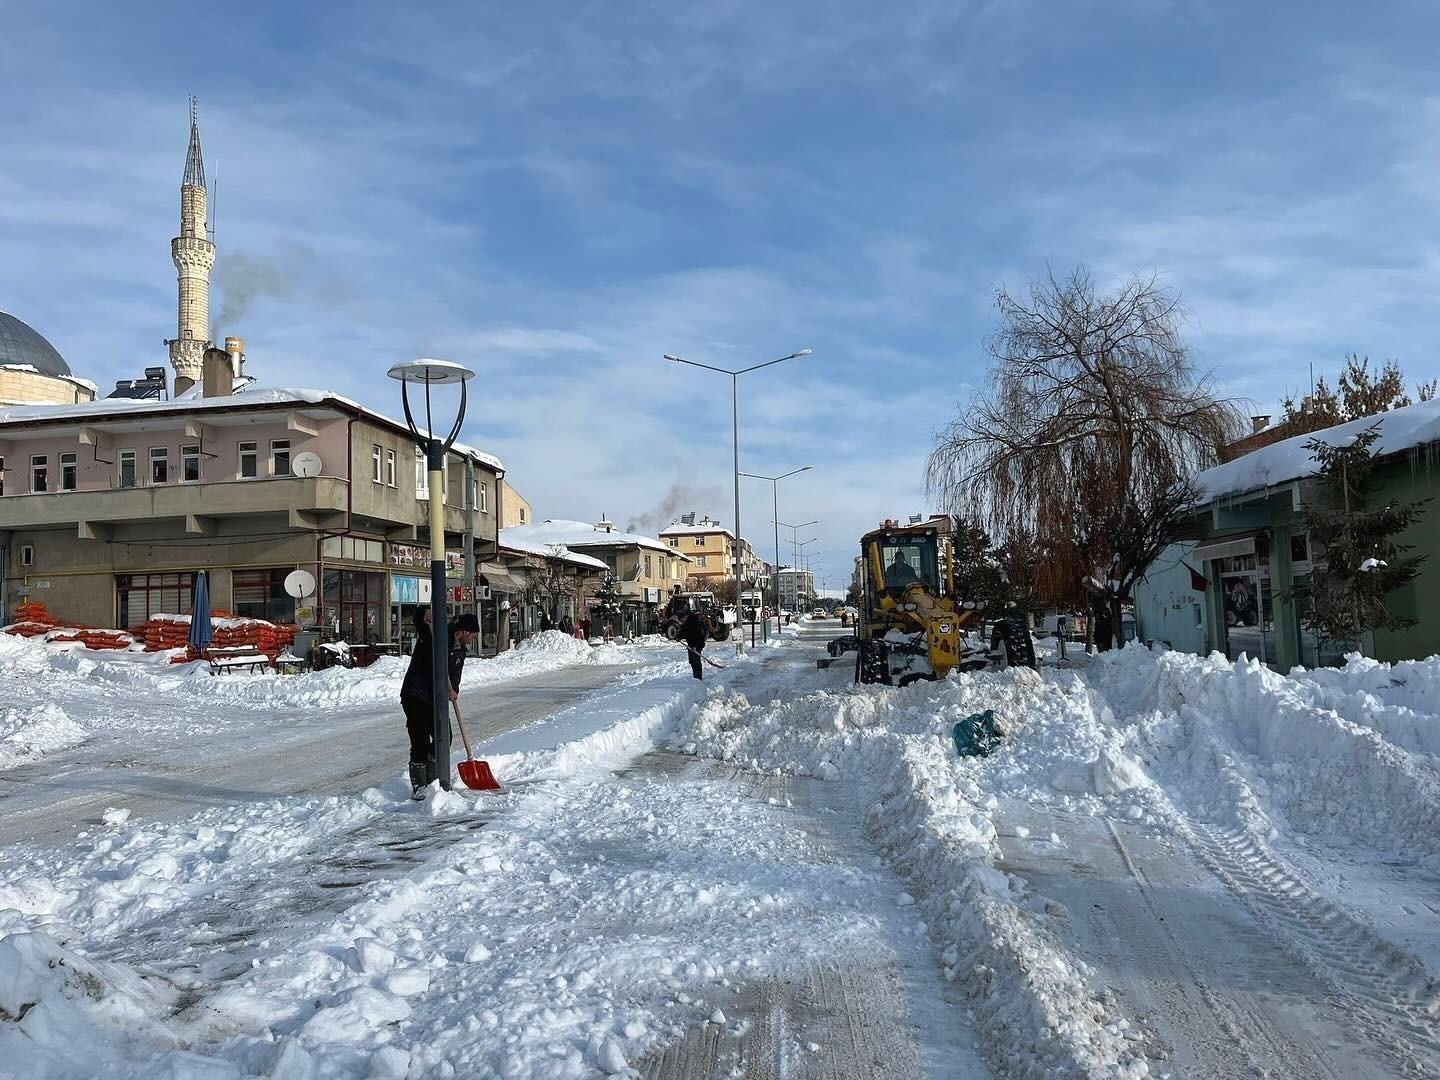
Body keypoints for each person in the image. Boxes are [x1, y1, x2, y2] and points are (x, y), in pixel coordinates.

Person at [400, 606, 480, 799]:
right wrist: (423, 614)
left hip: (437, 698)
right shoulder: (436, 635)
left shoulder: (460, 651)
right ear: (465, 631)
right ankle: (419, 786)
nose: (472, 640)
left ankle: (432, 780)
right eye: (473, 636)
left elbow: (455, 676)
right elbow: (420, 622)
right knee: (419, 740)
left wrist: (454, 691)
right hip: (416, 694)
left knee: (444, 737)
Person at [681, 608, 710, 680]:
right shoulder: (689, 621)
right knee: (692, 661)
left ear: (685, 616)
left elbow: (697, 634)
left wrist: (694, 646)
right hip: (692, 644)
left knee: (695, 662)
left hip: (697, 644)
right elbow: (685, 630)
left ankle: (698, 679)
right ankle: (696, 677)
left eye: (682, 619)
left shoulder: (693, 622)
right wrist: (679, 636)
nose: (682, 621)